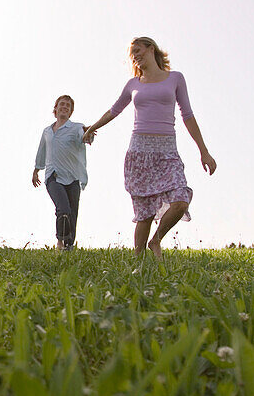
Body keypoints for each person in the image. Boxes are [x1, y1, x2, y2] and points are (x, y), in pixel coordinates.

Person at [83, 37, 216, 258]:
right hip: (139, 152)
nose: (134, 55)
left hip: (167, 151)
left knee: (181, 199)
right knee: (144, 213)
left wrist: (204, 151)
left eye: (138, 50)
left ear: (151, 49)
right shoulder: (133, 84)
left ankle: (156, 240)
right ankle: (138, 261)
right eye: (132, 53)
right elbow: (114, 110)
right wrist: (92, 128)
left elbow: (188, 115)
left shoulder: (175, 79)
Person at [32, 94, 94, 250]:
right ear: (55, 108)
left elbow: (85, 137)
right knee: (63, 209)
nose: (64, 107)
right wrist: (36, 171)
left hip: (72, 177)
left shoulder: (77, 128)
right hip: (53, 175)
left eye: (68, 106)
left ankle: (69, 245)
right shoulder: (47, 131)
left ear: (70, 112)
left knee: (72, 212)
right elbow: (42, 151)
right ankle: (60, 241)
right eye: (62, 104)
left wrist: (89, 134)